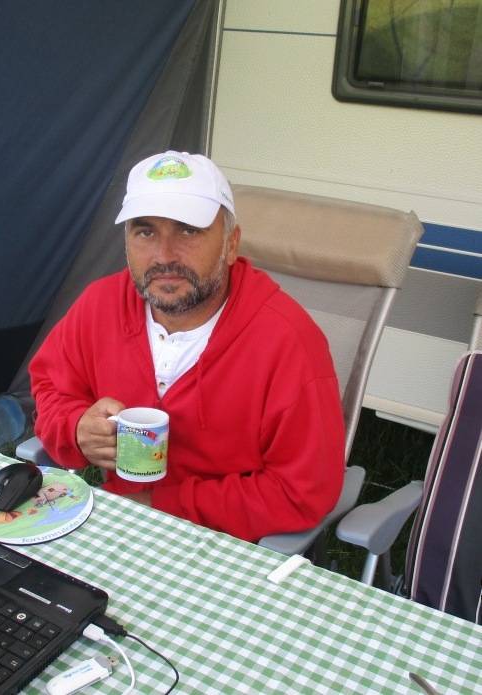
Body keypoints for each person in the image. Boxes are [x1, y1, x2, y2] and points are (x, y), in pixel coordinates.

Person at [29, 151, 345, 542]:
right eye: (145, 232)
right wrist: (75, 428)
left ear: (231, 244)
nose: (164, 256)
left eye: (188, 231)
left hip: (228, 544)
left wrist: (159, 506)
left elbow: (303, 492)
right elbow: (50, 388)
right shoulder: (100, 305)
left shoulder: (288, 341)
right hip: (117, 525)